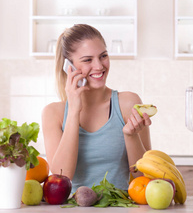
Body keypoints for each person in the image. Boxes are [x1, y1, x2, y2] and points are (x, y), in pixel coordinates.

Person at [42, 24, 152, 192]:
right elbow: (61, 176)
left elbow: (144, 179)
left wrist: (131, 136)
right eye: (87, 60)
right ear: (68, 67)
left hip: (119, 212)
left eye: (103, 56)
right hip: (71, 212)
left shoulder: (128, 103)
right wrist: (73, 111)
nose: (99, 66)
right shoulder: (53, 113)